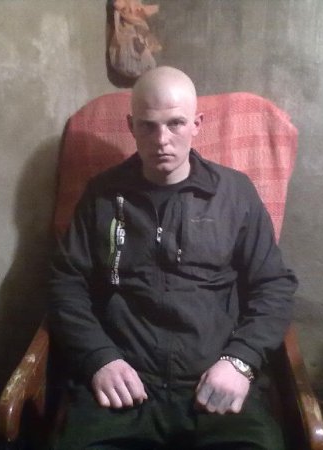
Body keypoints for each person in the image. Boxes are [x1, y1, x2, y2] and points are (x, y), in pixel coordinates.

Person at [46, 66, 297, 449]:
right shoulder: (102, 195)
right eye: (148, 126)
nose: (162, 140)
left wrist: (241, 361)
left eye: (175, 123)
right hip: (124, 385)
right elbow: (66, 284)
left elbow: (274, 286)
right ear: (131, 126)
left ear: (197, 124)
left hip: (215, 382)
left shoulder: (235, 193)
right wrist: (98, 357)